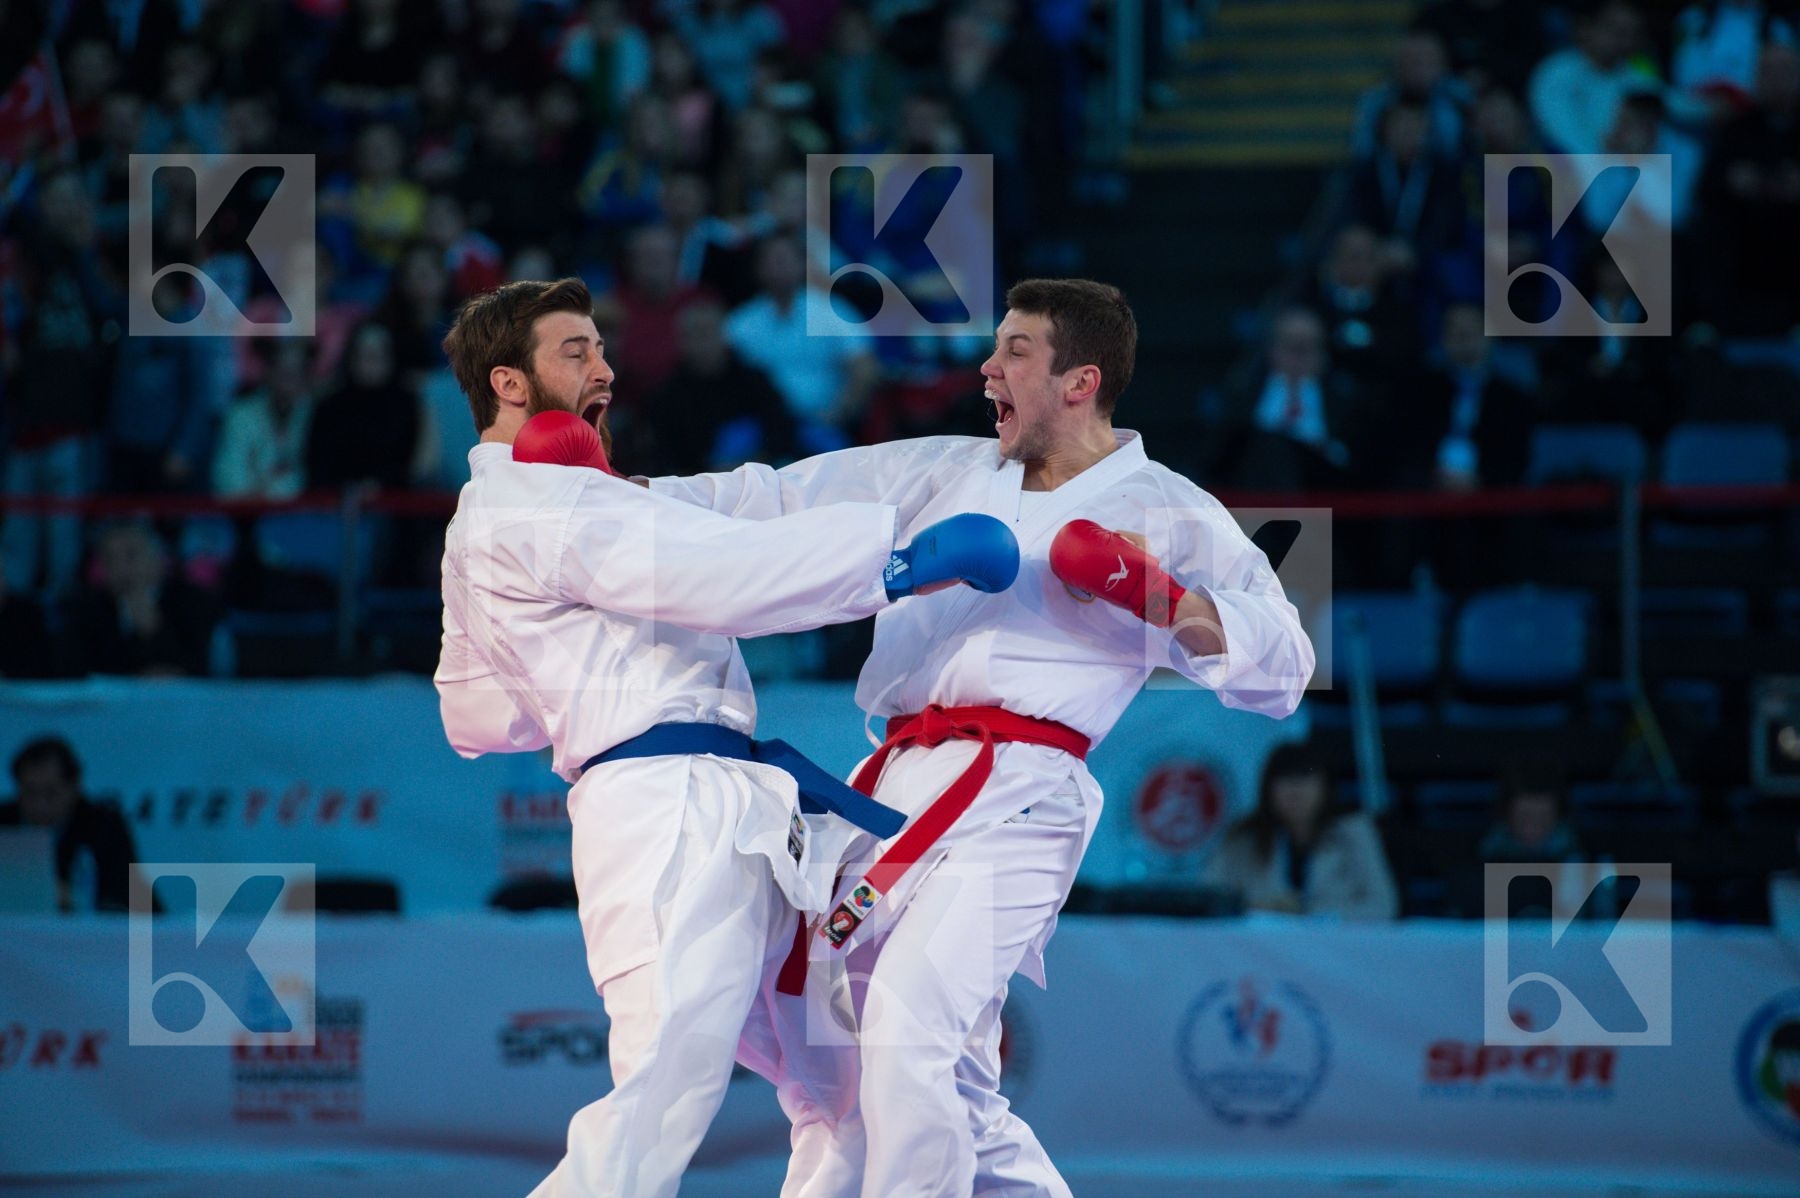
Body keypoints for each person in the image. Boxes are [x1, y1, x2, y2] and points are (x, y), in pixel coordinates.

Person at [650, 277, 1314, 1198]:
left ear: (1079, 380)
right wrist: (627, 500)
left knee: (910, 1030)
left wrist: (1162, 598)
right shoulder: (948, 470)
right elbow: (779, 497)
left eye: (1013, 351)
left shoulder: (1166, 505)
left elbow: (1284, 666)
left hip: (1025, 794)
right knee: (895, 1068)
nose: (985, 366)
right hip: (893, 784)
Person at [433, 277, 1019, 1198]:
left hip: (737, 809)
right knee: (665, 1086)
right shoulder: (530, 507)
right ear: (508, 384)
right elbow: (717, 576)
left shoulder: (588, 503)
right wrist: (895, 568)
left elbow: (475, 716)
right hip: (665, 813)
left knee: (849, 1089)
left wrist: (978, 463)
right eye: (577, 351)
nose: (608, 370)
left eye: (602, 347)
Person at [1203, 742, 1399, 920]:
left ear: (1325, 785)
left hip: (1337, 948)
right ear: (1268, 789)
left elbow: (1383, 905)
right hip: (1262, 947)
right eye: (1285, 780)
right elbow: (1211, 897)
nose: (1296, 791)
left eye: (1306, 778)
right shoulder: (1243, 838)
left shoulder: (1354, 831)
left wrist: (1314, 916)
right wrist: (1256, 908)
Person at [0, 737, 145, 913]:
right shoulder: (4, 821)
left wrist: (74, 897)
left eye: (50, 793)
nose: (40, 804)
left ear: (74, 786)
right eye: (29, 792)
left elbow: (131, 898)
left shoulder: (104, 826)